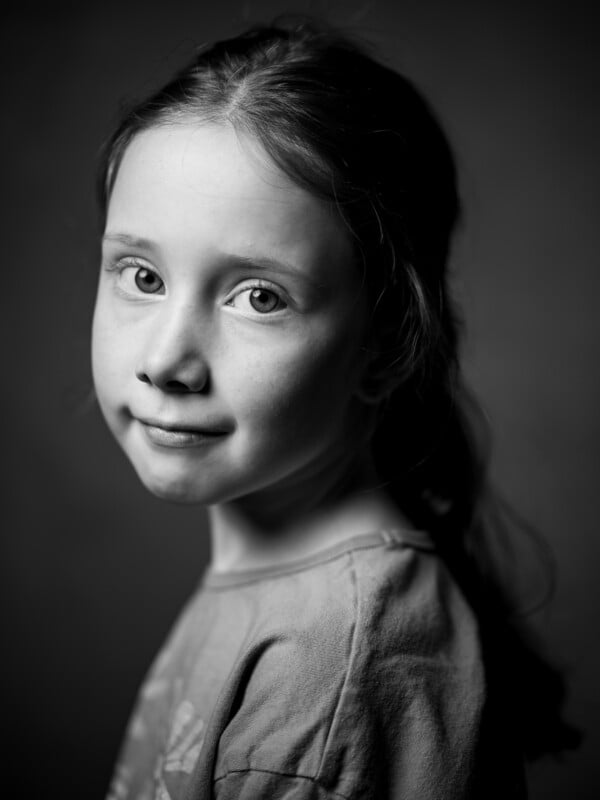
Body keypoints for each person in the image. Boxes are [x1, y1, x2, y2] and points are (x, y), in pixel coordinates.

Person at [92, 19, 576, 800]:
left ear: (385, 345)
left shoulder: (337, 659)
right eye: (141, 276)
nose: (163, 361)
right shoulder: (284, 595)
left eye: (259, 296)